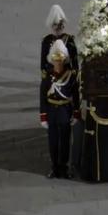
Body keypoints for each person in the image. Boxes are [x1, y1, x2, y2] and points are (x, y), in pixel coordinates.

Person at [39, 39, 78, 179]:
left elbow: (75, 95)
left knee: (65, 141)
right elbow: (43, 97)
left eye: (60, 59)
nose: (58, 62)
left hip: (64, 110)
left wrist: (76, 112)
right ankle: (54, 167)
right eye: (56, 59)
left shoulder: (70, 76)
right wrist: (43, 116)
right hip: (52, 112)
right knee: (53, 141)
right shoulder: (47, 77)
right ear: (52, 60)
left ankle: (64, 167)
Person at [40, 5, 77, 77]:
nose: (57, 28)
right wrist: (43, 69)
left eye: (60, 25)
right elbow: (43, 58)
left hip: (67, 73)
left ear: (63, 26)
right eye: (55, 25)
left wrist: (75, 69)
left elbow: (74, 57)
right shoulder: (46, 40)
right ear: (51, 26)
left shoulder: (69, 39)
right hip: (50, 72)